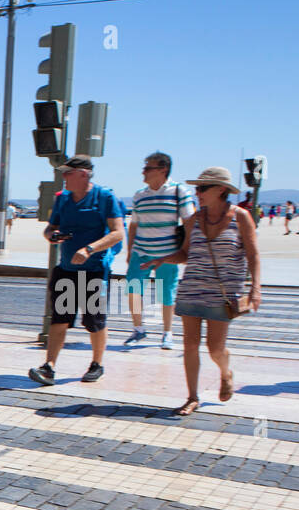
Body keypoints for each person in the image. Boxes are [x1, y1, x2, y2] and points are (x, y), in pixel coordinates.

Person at [140, 167, 258, 416]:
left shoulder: (241, 217)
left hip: (223, 292)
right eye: (197, 188)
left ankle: (226, 373)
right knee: (190, 344)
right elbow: (185, 253)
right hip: (192, 287)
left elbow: (253, 254)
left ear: (221, 190)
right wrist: (162, 259)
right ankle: (192, 397)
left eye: (203, 188)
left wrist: (255, 288)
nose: (198, 192)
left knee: (215, 347)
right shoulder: (194, 219)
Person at [29, 155, 126, 386]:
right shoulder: (63, 199)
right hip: (66, 269)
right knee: (60, 319)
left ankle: (96, 364)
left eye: (68, 173)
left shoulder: (104, 197)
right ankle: (49, 366)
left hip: (94, 270)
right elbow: (50, 228)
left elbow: (117, 233)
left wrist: (89, 249)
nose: (63, 177)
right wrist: (51, 236)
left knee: (95, 321)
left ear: (83, 174)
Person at [124, 151, 196, 349]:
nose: (143, 171)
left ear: (163, 170)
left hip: (168, 254)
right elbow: (134, 225)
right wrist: (130, 251)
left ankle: (167, 333)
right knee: (132, 288)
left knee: (167, 293)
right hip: (141, 251)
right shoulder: (140, 195)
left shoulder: (178, 191)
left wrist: (186, 250)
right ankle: (138, 329)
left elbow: (190, 221)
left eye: (148, 167)